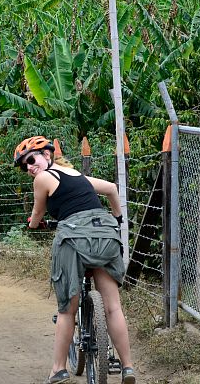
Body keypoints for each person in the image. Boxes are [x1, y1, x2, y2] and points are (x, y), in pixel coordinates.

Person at [15, 136, 135, 384]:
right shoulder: (76, 175)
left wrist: (34, 224)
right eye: (24, 165)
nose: (28, 166)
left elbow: (37, 214)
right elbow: (112, 188)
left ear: (47, 155)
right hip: (105, 234)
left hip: (74, 238)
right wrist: (119, 219)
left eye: (31, 159)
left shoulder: (42, 179)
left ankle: (58, 369)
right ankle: (128, 367)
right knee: (113, 307)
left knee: (67, 310)